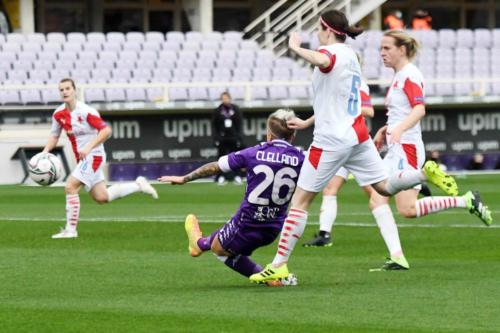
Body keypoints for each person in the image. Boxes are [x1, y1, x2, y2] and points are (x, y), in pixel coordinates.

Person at [249, 11, 492, 284]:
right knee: (383, 187)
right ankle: (423, 175)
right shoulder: (351, 55)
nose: (317, 33)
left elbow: (323, 59)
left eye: (319, 28)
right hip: (357, 135)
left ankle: (279, 264)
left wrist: (294, 46)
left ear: (327, 29)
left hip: (332, 140)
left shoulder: (331, 52)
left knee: (300, 202)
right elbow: (336, 98)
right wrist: (307, 122)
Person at [367, 29, 493, 270]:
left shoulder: (409, 75)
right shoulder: (400, 75)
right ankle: (398, 255)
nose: (382, 53)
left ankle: (437, 183)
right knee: (387, 203)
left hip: (407, 148)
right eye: (381, 48)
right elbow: (403, 111)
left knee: (397, 205)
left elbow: (419, 109)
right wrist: (386, 129)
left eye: (387, 48)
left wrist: (400, 129)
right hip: (398, 145)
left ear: (401, 50)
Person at [159, 109, 304, 286]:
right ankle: (199, 244)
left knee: (218, 249)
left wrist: (184, 178)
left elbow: (215, 167)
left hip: (247, 224)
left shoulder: (253, 153)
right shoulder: (301, 158)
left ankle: (200, 244)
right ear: (293, 133)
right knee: (224, 237)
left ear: (269, 134)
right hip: (275, 228)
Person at [43, 78, 158, 239]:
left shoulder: (86, 112)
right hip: (83, 159)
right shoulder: (58, 114)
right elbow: (54, 135)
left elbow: (106, 131)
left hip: (94, 156)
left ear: (74, 90)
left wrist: (88, 147)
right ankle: (138, 185)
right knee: (102, 197)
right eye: (61, 90)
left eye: (67, 88)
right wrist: (45, 152)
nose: (65, 92)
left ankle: (70, 231)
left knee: (70, 187)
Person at [303, 77, 376, 247]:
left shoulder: (358, 84)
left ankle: (412, 185)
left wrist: (344, 109)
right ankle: (324, 234)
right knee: (330, 189)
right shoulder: (337, 83)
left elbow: (368, 110)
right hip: (339, 142)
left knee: (377, 192)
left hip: (356, 144)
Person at [212, 91, 244, 185]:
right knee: (221, 158)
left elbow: (239, 125)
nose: (225, 100)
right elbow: (214, 126)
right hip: (222, 139)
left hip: (233, 138)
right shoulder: (218, 110)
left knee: (235, 158)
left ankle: (237, 176)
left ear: (230, 99)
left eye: (226, 98)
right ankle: (221, 176)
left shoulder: (235, 109)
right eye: (223, 98)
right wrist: (216, 138)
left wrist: (239, 138)